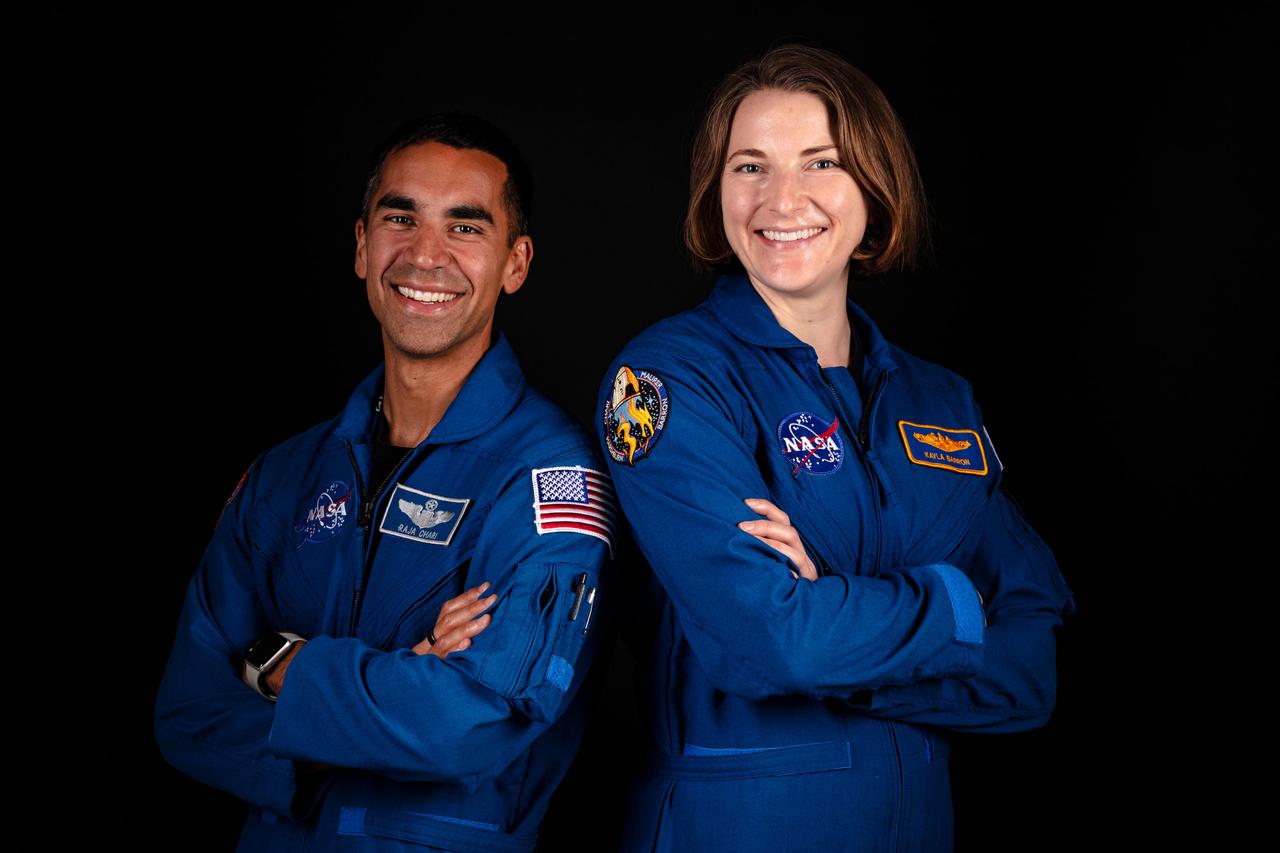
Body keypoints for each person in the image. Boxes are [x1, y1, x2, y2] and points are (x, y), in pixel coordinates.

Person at [597, 45, 1076, 852]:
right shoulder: (665, 380)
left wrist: (836, 605)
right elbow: (775, 641)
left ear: (873, 187)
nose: (782, 199)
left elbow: (1031, 672)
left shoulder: (941, 401)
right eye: (750, 166)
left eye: (821, 162)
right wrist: (955, 607)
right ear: (715, 192)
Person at [156, 113, 616, 852]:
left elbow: (470, 721)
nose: (425, 255)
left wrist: (279, 664)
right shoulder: (287, 474)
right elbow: (186, 709)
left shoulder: (546, 480)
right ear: (364, 246)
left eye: (465, 228)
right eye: (400, 218)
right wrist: (396, 678)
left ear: (516, 263)